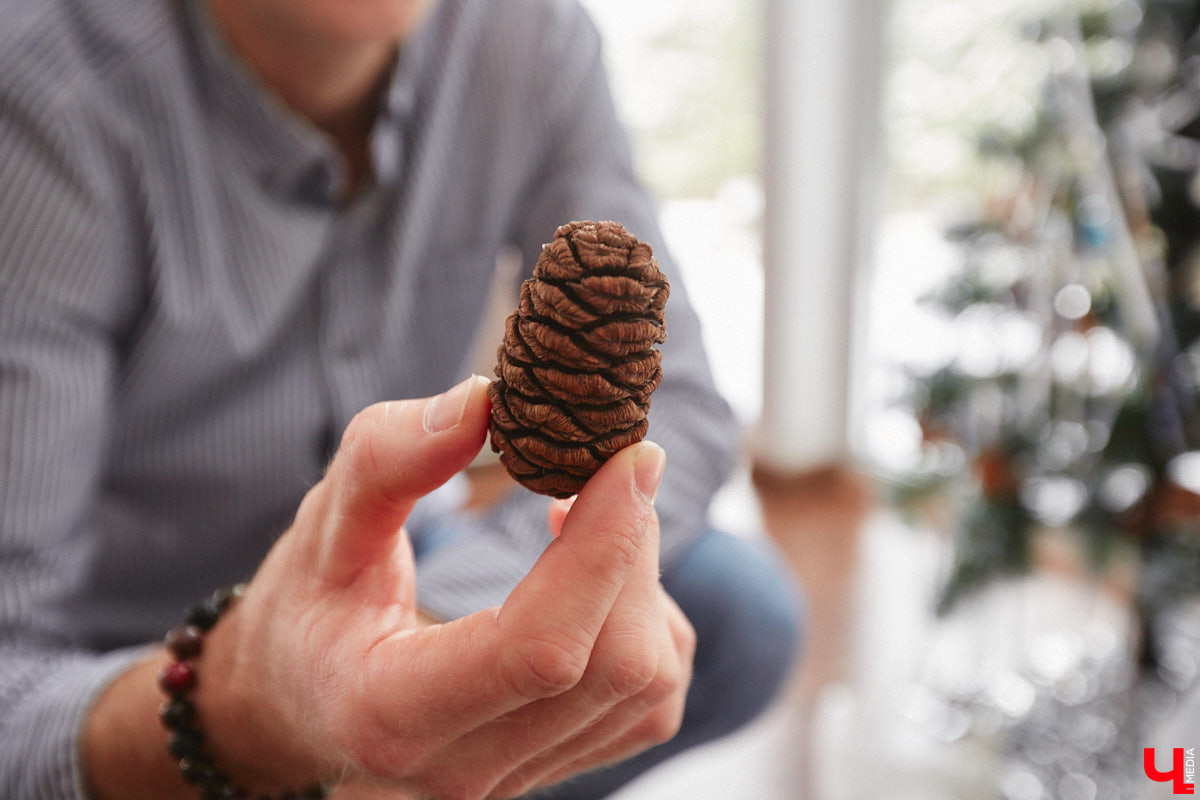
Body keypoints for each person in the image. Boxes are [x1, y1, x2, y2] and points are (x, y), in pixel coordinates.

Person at [0, 0, 802, 798]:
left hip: (410, 573)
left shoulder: (528, 38)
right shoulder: (41, 94)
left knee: (736, 615)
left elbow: (683, 405)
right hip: (138, 657)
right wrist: (247, 714)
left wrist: (429, 644)